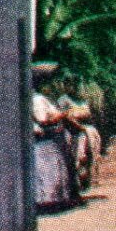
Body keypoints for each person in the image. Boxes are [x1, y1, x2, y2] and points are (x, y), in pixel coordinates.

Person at [32, 63, 81, 213]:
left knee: (53, 170)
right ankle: (48, 203)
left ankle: (52, 201)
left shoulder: (40, 98)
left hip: (50, 139)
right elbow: (43, 120)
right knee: (48, 171)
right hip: (46, 139)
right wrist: (63, 114)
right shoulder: (38, 99)